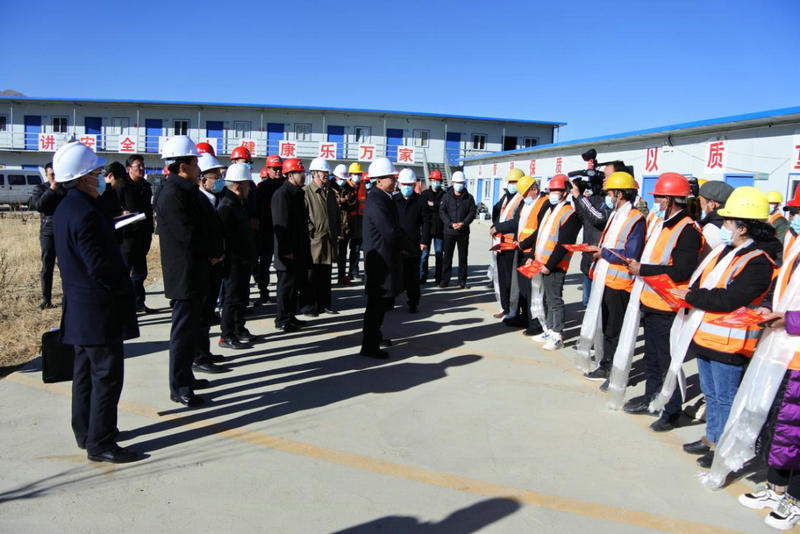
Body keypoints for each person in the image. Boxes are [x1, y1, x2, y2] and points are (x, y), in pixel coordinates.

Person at [666, 187, 774, 469]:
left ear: (743, 227)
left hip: (730, 343)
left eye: (728, 221)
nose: (723, 226)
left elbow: (729, 299)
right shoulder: (726, 252)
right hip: (707, 336)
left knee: (726, 399)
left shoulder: (757, 261)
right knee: (712, 394)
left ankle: (723, 447)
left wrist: (690, 296)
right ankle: (712, 438)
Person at [51, 141, 140, 463]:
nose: (102, 177)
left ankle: (86, 431)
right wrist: (122, 285)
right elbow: (99, 266)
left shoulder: (67, 208)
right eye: (97, 173)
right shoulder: (86, 213)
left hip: (79, 309)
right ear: (83, 177)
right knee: (106, 376)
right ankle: (101, 442)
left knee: (85, 374)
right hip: (97, 310)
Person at [616, 173, 703, 432]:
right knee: (652, 358)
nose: (656, 202)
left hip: (668, 307)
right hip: (651, 302)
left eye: (659, 198)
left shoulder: (687, 230)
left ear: (671, 199)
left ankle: (671, 410)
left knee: (667, 361)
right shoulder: (662, 224)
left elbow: (681, 270)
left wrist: (642, 269)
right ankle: (651, 397)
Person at [578, 172, 646, 386]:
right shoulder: (616, 215)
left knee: (615, 332)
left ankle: (615, 373)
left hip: (620, 284)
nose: (608, 196)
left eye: (610, 193)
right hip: (606, 280)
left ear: (620, 194)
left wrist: (603, 253)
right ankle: (605, 364)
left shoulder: (635, 219)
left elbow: (631, 252)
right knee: (606, 328)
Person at [155, 135, 207, 407]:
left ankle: (187, 376)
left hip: (194, 271)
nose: (199, 168)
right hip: (184, 274)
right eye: (195, 162)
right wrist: (210, 251)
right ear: (183, 165)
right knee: (182, 333)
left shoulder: (185, 190)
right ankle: (179, 387)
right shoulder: (172, 194)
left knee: (190, 330)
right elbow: (187, 235)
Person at [360, 157, 413, 358]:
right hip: (379, 263)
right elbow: (390, 232)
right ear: (379, 180)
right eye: (391, 177)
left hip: (385, 258)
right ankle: (369, 346)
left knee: (381, 305)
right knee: (375, 306)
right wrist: (407, 246)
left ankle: (375, 336)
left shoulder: (384, 197)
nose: (394, 180)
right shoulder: (377, 200)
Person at [491, 175, 548, 335]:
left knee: (533, 290)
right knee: (523, 288)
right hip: (522, 252)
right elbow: (517, 222)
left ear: (534, 189)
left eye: (525, 194)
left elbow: (540, 231)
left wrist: (524, 244)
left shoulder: (544, 203)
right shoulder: (527, 203)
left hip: (533, 253)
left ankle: (536, 323)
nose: (523, 198)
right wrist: (500, 228)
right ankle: (524, 318)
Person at [529, 174, 580, 350]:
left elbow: (564, 244)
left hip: (555, 266)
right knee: (546, 299)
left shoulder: (570, 214)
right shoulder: (551, 210)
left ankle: (557, 334)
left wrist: (549, 265)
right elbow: (540, 236)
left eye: (556, 190)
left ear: (565, 192)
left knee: (555, 300)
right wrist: (532, 256)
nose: (552, 193)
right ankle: (549, 329)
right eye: (551, 190)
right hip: (542, 263)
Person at [194, 153, 229, 369]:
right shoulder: (198, 201)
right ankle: (198, 356)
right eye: (215, 176)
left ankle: (205, 352)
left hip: (216, 264)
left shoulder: (213, 199)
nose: (219, 180)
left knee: (207, 314)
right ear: (202, 179)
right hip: (205, 265)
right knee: (200, 315)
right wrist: (211, 255)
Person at [217, 162, 257, 348]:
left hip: (243, 259)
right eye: (247, 185)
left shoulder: (238, 203)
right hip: (233, 261)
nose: (250, 189)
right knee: (231, 298)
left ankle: (239, 327)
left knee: (241, 297)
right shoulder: (226, 205)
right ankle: (226, 334)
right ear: (237, 186)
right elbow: (222, 236)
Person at [271, 158, 312, 332]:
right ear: (289, 175)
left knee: (294, 286)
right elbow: (280, 224)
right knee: (285, 286)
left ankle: (291, 316)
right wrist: (286, 250)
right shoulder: (282, 195)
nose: (303, 176)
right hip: (288, 251)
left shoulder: (298, 193)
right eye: (299, 173)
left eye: (303, 172)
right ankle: (282, 319)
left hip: (299, 248)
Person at [301, 157, 341, 316]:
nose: (326, 176)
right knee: (311, 276)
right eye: (323, 173)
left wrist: (336, 232)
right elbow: (303, 218)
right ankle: (308, 306)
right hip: (314, 242)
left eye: (327, 173)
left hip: (329, 240)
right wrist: (312, 231)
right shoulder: (306, 192)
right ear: (314, 174)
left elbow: (336, 215)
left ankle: (325, 304)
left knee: (326, 274)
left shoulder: (330, 193)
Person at [117, 154, 155, 313]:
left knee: (140, 272)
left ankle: (139, 303)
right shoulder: (122, 186)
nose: (141, 168)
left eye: (142, 165)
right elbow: (115, 208)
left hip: (143, 234)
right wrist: (122, 213)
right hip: (127, 236)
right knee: (125, 272)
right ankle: (123, 306)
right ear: (129, 169)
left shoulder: (145, 186)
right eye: (138, 166)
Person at [395, 168, 429, 313]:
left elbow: (426, 222)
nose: (407, 187)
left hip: (413, 243)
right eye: (404, 184)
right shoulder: (394, 200)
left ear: (414, 185)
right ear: (399, 184)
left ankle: (413, 302)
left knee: (412, 276)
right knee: (394, 273)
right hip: (396, 243)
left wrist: (424, 241)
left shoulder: (420, 200)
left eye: (409, 184)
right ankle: (390, 300)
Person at [490, 169, 524, 315]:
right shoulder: (506, 197)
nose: (512, 185)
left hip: (512, 245)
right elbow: (497, 211)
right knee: (501, 278)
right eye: (510, 182)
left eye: (515, 182)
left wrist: (498, 227)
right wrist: (495, 226)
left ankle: (513, 309)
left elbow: (517, 222)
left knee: (511, 281)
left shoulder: (522, 199)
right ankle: (505, 308)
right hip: (501, 243)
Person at [31, 161, 64, 309]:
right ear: (46, 175)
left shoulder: (65, 189)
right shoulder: (40, 189)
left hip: (63, 231)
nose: (54, 177)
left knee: (65, 265)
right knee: (47, 265)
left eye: (56, 174)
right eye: (51, 175)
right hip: (47, 231)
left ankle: (67, 296)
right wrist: (52, 189)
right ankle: (46, 299)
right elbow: (39, 206)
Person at [440, 171, 477, 289]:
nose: (459, 185)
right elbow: (442, 211)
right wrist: (450, 223)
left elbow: (472, 212)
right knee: (447, 257)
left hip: (463, 232)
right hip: (449, 231)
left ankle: (462, 281)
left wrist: (464, 223)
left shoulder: (469, 198)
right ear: (452, 182)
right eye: (457, 182)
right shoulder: (446, 196)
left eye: (461, 182)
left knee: (463, 257)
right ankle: (445, 280)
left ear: (464, 183)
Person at [255, 155, 284, 304]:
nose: (278, 171)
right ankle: (263, 292)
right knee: (264, 264)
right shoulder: (262, 188)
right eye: (275, 169)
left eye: (280, 168)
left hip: (283, 230)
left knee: (283, 263)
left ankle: (282, 292)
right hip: (266, 230)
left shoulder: (286, 184)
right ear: (268, 169)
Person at [331, 163, 357, 285]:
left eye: (344, 179)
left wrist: (349, 200)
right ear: (335, 176)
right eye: (340, 178)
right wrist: (339, 200)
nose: (342, 181)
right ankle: (326, 276)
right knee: (330, 252)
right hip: (331, 224)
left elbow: (354, 205)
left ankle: (341, 276)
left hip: (345, 225)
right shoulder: (329, 186)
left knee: (343, 252)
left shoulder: (349, 187)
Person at [420, 169, 445, 285]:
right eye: (434, 180)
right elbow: (423, 209)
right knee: (424, 255)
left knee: (439, 254)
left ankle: (438, 277)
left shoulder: (444, 195)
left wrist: (433, 204)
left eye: (437, 180)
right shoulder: (425, 194)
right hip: (427, 229)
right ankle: (422, 276)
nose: (435, 182)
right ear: (430, 181)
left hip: (440, 229)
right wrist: (438, 206)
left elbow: (444, 208)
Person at [698, 180, 734, 249]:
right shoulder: (733, 224)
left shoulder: (711, 230)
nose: (699, 207)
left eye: (700, 202)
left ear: (712, 204)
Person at [347, 162, 366, 280]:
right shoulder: (346, 186)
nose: (357, 176)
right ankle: (343, 274)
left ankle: (354, 272)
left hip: (360, 220)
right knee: (345, 249)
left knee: (357, 248)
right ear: (350, 175)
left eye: (359, 174)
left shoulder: (363, 186)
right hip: (348, 220)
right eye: (355, 174)